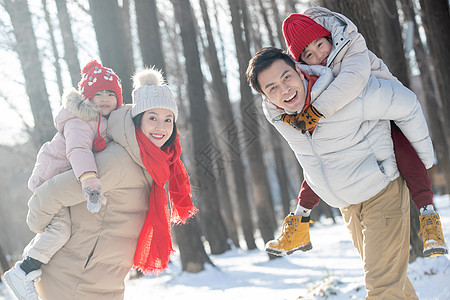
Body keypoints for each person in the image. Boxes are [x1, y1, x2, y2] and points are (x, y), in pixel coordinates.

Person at [246, 46, 435, 299]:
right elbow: (315, 163)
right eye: (272, 88)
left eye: (287, 77)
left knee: (381, 285)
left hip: (382, 192)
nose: (285, 90)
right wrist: (302, 210)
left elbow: (406, 104)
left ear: (298, 71)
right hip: (347, 205)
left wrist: (425, 162)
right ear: (266, 98)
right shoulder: (281, 118)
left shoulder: (342, 91)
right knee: (392, 282)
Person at [267, 7, 447, 258]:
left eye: (319, 45)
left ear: (329, 38)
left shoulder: (351, 49)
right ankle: (300, 222)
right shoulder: (314, 75)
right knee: (320, 161)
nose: (318, 55)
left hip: (383, 113)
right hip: (351, 123)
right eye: (308, 54)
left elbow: (351, 81)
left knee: (404, 150)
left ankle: (428, 217)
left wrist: (317, 110)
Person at [15, 67, 197, 300]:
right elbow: (49, 195)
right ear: (138, 120)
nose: (160, 127)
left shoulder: (153, 164)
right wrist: (41, 225)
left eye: (168, 119)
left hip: (104, 283)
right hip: (73, 281)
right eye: (152, 118)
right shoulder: (120, 160)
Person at [3, 60, 122, 300]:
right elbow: (78, 150)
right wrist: (90, 180)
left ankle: (33, 261)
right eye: (97, 94)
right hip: (50, 180)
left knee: (64, 232)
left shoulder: (103, 122)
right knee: (60, 230)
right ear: (86, 98)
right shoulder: (80, 120)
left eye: (111, 93)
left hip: (67, 183)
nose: (105, 98)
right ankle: (23, 270)